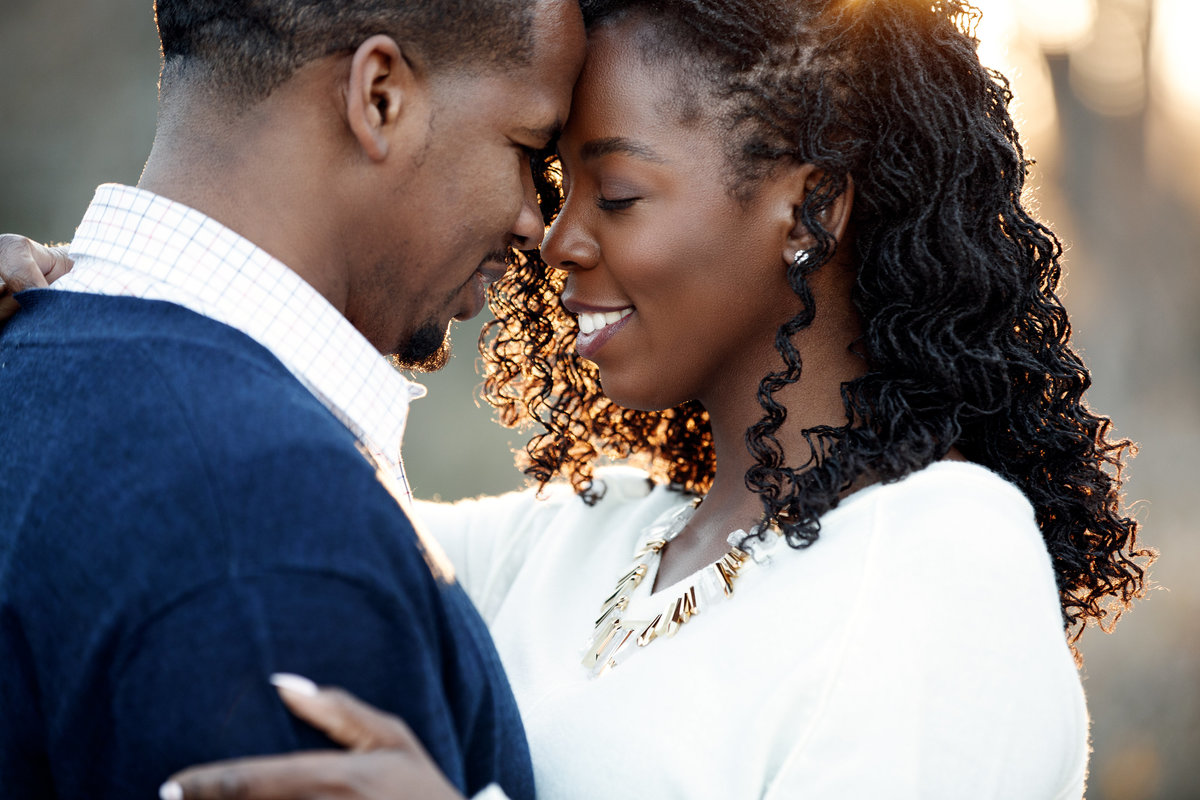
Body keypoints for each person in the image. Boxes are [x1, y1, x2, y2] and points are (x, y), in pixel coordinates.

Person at [2, 0, 1152, 798]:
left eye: (615, 191)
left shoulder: (942, 556)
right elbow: (223, 469)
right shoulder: (581, 542)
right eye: (555, 185)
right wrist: (90, 292)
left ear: (808, 213)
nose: (555, 240)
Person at [0, 0, 582, 798]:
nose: (536, 224)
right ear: (379, 96)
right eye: (531, 151)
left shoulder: (30, 350)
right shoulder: (272, 512)